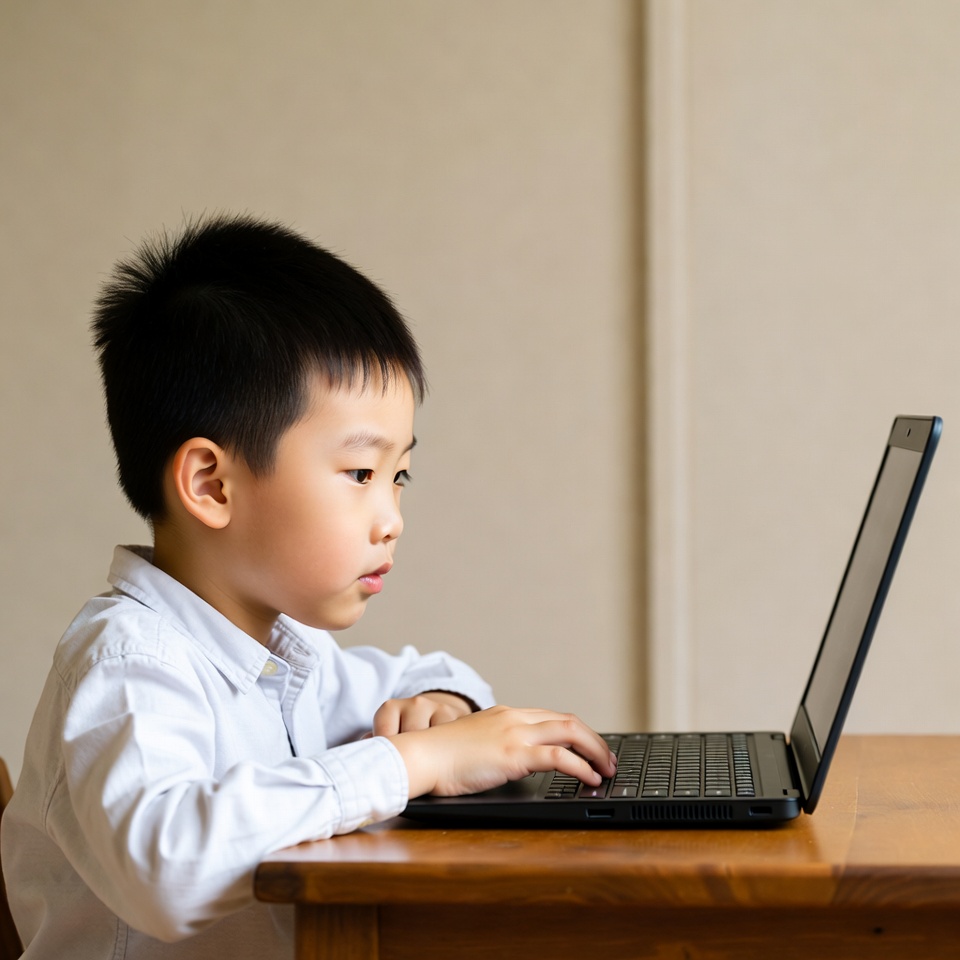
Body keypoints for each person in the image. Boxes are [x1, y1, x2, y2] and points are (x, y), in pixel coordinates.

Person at [0, 214, 616, 959]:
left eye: (400, 476)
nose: (391, 519)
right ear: (212, 484)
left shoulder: (287, 651)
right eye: (360, 473)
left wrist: (444, 711)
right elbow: (169, 869)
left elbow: (427, 673)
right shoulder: (127, 664)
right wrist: (413, 763)